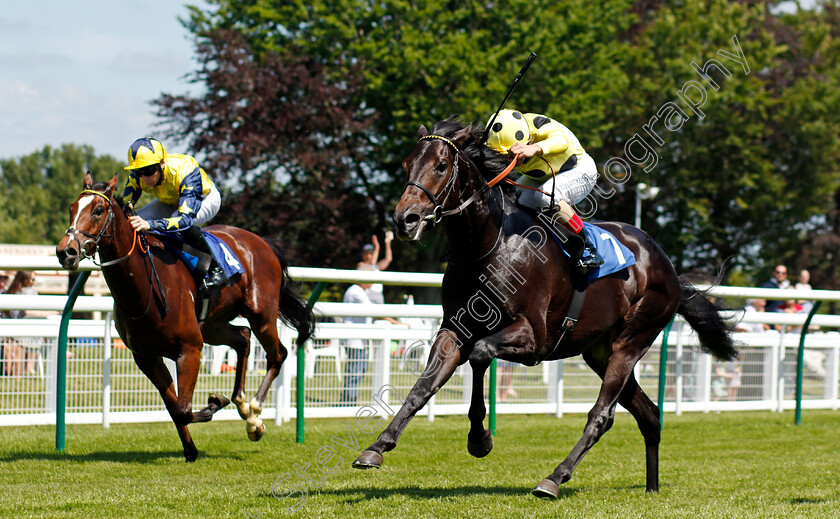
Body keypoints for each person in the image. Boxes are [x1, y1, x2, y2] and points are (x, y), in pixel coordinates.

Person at [485, 109, 603, 270]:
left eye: (513, 154)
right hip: (544, 176)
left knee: (546, 197)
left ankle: (587, 246)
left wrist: (535, 148)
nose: (511, 160)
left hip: (580, 170)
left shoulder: (540, 126)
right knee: (516, 200)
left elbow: (562, 141)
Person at [120, 137, 225, 290]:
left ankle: (216, 268)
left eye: (148, 171)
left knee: (178, 224)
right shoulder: (139, 175)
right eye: (137, 172)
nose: (143, 177)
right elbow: (125, 206)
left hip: (204, 198)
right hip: (170, 200)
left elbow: (184, 220)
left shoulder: (185, 170)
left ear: (162, 164)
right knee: (131, 220)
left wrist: (150, 224)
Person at [339, 264, 376, 405]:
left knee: (360, 368)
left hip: (358, 339)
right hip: (354, 339)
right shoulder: (356, 291)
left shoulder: (360, 291)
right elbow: (374, 311)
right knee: (355, 371)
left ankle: (348, 400)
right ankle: (348, 402)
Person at [357, 231, 394, 305]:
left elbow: (388, 259)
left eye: (371, 253)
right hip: (367, 295)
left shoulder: (377, 266)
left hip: (378, 295)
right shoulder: (361, 265)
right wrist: (377, 247)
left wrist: (387, 243)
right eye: (366, 253)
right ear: (362, 255)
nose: (368, 255)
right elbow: (371, 265)